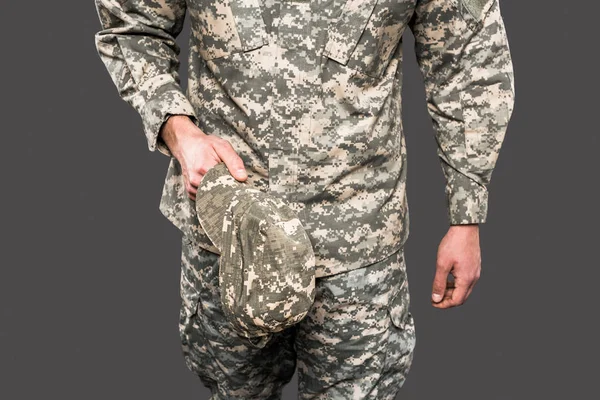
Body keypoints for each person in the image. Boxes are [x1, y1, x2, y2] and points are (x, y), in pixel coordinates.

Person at [94, 0, 515, 398]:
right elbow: (132, 24)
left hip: (358, 254)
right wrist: (180, 132)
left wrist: (466, 215)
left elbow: (469, 63)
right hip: (230, 243)